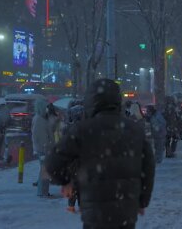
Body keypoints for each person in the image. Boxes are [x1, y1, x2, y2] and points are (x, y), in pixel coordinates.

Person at [45, 79, 155, 229]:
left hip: (94, 212)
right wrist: (142, 201)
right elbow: (148, 168)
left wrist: (66, 181)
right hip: (126, 211)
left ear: (90, 102)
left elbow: (53, 162)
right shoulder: (134, 130)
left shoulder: (82, 130)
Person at [32, 98, 54, 197]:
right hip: (43, 149)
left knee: (44, 171)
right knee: (45, 171)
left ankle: (43, 191)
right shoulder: (39, 120)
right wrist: (48, 146)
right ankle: (43, 192)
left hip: (44, 149)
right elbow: (41, 137)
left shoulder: (40, 118)